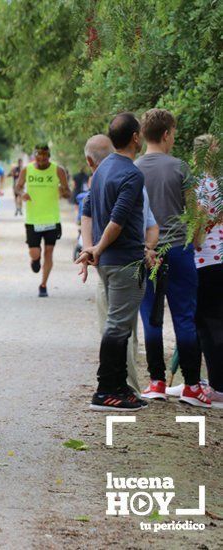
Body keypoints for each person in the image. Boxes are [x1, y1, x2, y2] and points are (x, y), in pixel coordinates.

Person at [133, 109, 209, 407]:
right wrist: (198, 240)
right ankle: (191, 385)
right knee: (184, 317)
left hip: (145, 252)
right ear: (166, 134)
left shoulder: (134, 168)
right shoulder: (180, 168)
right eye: (174, 133)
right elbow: (195, 212)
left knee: (151, 318)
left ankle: (156, 382)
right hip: (178, 250)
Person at [76, 113, 149, 411]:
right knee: (118, 327)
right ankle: (105, 390)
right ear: (134, 137)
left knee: (117, 326)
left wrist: (91, 247)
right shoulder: (132, 174)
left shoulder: (103, 168)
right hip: (123, 262)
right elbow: (117, 220)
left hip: (107, 262)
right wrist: (98, 248)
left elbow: (88, 207)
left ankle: (120, 387)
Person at [189, 133, 223, 407]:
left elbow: (199, 219)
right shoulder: (220, 183)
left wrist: (194, 240)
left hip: (206, 260)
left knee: (206, 322)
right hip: (220, 259)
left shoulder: (203, 183)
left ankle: (215, 386)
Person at [15, 144, 72, 297]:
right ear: (35, 156)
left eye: (44, 158)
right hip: (33, 220)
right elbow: (17, 187)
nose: (41, 162)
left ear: (48, 156)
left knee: (49, 252)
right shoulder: (27, 169)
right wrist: (22, 194)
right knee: (35, 253)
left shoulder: (57, 170)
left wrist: (64, 191)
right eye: (38, 159)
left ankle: (43, 285)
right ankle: (35, 260)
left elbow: (68, 192)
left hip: (52, 218)